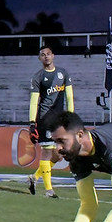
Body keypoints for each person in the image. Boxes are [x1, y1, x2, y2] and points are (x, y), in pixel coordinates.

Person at [27, 45, 74, 198]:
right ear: (40, 58)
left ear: (53, 55)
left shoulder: (63, 73)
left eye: (48, 53)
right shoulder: (38, 77)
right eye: (42, 55)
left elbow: (69, 97)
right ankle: (49, 190)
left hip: (60, 120)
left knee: (59, 155)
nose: (46, 56)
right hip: (45, 118)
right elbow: (34, 101)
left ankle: (34, 178)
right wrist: (32, 122)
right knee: (47, 153)